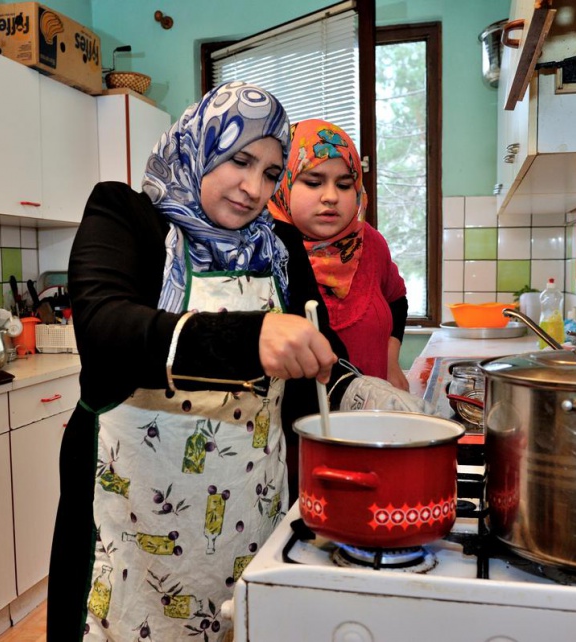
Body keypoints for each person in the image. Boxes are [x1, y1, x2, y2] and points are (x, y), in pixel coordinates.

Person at [47, 82, 423, 642]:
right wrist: (250, 337)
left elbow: (311, 359)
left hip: (248, 521)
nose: (253, 188)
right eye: (239, 159)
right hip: (131, 529)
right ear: (200, 145)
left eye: (271, 173)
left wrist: (354, 389)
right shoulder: (127, 218)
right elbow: (106, 330)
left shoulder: (280, 246)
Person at [269, 119, 411, 391]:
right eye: (313, 182)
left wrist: (391, 362)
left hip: (372, 422)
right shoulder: (261, 250)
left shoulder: (370, 242)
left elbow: (397, 300)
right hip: (297, 428)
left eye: (345, 185)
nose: (331, 196)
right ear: (281, 185)